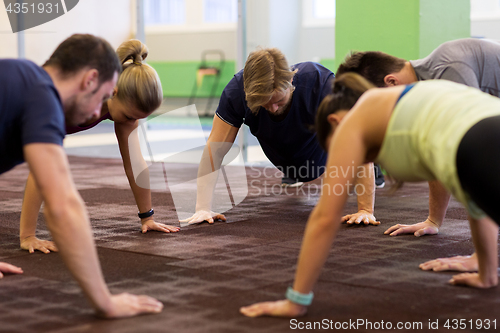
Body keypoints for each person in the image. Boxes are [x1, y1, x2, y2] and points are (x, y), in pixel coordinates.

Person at [240, 73, 500, 318]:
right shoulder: (407, 108)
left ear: (335, 123)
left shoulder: (352, 121)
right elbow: (473, 196)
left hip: (482, 142)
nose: (346, 162)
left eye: (333, 149)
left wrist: (296, 301)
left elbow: (324, 218)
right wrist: (486, 272)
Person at [0, 34, 163, 318]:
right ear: (90, 81)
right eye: (103, 97)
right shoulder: (42, 99)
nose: (96, 112)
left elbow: (136, 164)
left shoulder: (24, 82)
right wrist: (105, 301)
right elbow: (62, 205)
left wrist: (146, 215)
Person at [181, 48, 379, 226]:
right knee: (295, 165)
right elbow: (214, 151)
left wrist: (365, 210)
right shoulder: (236, 92)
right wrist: (202, 208)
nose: (273, 108)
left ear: (291, 81)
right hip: (283, 153)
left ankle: (375, 169)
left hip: (319, 148)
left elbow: (355, 142)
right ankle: (295, 168)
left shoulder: (321, 83)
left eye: (278, 101)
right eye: (265, 104)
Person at [19, 39, 179, 255]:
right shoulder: (64, 100)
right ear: (113, 91)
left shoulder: (123, 108)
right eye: (131, 116)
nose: (133, 121)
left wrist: (147, 217)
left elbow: (135, 163)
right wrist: (27, 236)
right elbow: (42, 168)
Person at [336, 38, 500, 237]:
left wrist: (481, 263)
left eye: (377, 102)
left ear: (391, 82)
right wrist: (433, 221)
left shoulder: (447, 71)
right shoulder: (431, 85)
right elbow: (438, 151)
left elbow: (479, 154)